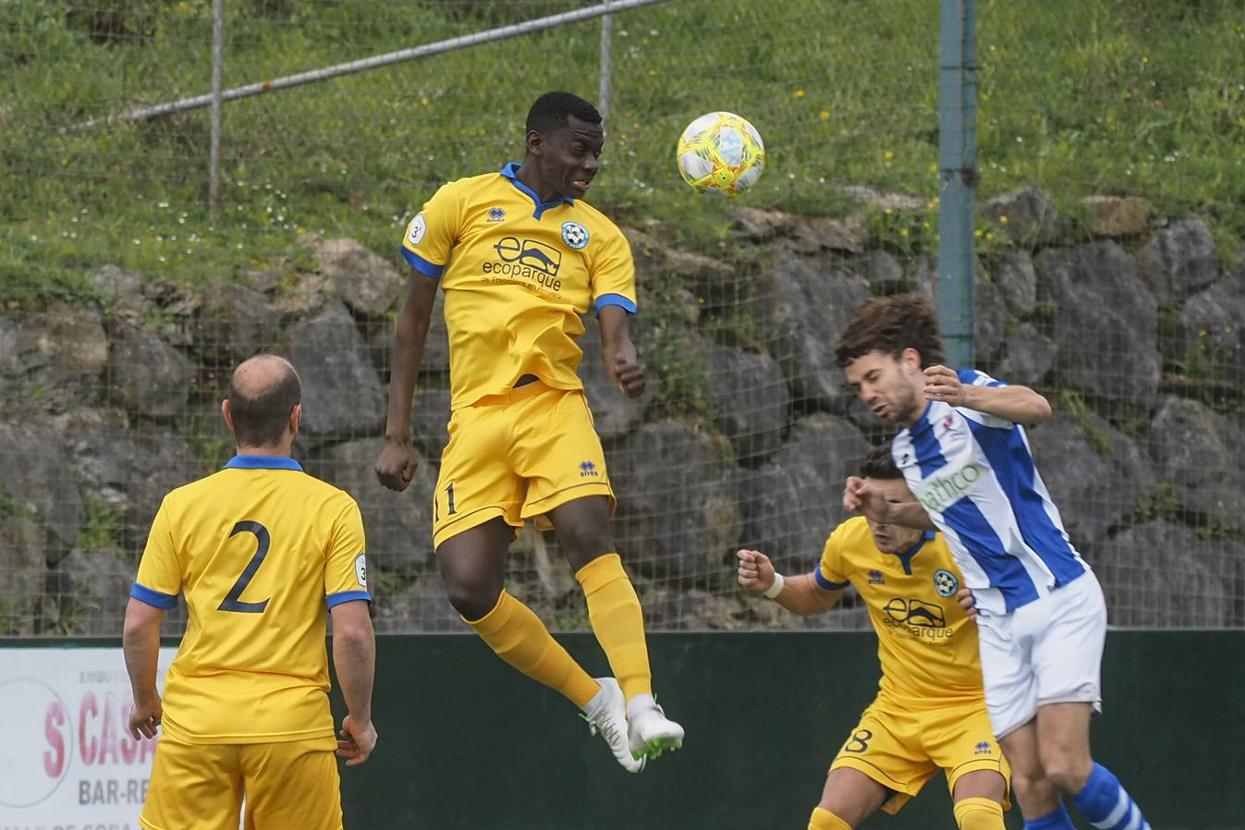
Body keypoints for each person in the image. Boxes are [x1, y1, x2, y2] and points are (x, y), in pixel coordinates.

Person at [374, 91, 683, 772]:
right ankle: (595, 700)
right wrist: (397, 433)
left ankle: (640, 701)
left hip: (553, 407)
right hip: (476, 418)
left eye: (598, 152)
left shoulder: (599, 235)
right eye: (580, 148)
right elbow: (412, 321)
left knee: (585, 531)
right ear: (536, 141)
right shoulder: (461, 203)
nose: (591, 164)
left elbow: (614, 325)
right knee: (468, 589)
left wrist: (621, 356)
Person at [835, 294, 1152, 830]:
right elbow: (946, 514)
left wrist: (971, 394)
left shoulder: (966, 396)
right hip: (998, 625)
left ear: (909, 360)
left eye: (872, 376)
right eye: (858, 387)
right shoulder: (908, 451)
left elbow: (1037, 407)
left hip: (1057, 598)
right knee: (1029, 783)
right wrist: (881, 506)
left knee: (1064, 764)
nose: (867, 394)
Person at [123, 354, 377, 830]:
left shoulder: (182, 506)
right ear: (296, 418)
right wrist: (359, 719)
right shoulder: (334, 509)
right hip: (290, 725)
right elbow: (353, 634)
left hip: (199, 724)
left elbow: (139, 623)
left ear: (227, 415)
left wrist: (144, 700)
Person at [738, 444, 1010, 830]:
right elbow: (817, 594)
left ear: (923, 503)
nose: (879, 520)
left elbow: (1033, 606)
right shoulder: (850, 541)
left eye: (893, 506)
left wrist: (999, 603)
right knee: (827, 820)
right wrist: (773, 584)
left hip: (978, 707)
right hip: (899, 709)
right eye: (871, 506)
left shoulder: (966, 546)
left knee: (978, 815)